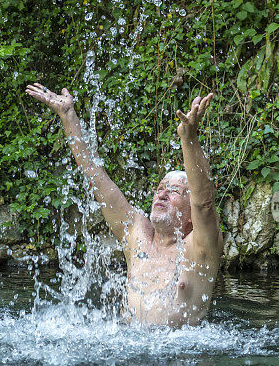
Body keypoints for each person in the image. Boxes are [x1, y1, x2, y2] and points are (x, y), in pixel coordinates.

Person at [25, 83, 223, 327]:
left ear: (190, 214)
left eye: (173, 191)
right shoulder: (137, 235)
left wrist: (189, 139)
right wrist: (68, 116)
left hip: (180, 360)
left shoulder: (200, 248)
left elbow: (204, 203)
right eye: (160, 189)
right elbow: (95, 178)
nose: (161, 195)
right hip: (130, 356)